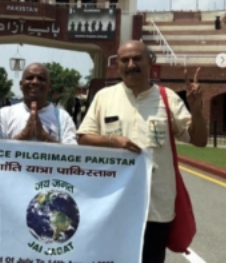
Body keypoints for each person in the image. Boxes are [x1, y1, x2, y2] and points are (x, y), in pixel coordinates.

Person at [76, 40, 207, 263]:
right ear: (117, 64)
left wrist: (196, 109)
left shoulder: (167, 98)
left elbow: (199, 140)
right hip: (113, 202)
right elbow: (82, 137)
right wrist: (111, 140)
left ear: (149, 62)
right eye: (124, 60)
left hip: (156, 205)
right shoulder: (104, 97)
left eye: (137, 58)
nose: (131, 65)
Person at [0, 63, 77, 144]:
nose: (35, 82)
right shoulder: (4, 114)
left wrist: (43, 135)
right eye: (29, 78)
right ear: (21, 85)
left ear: (49, 86)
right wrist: (23, 135)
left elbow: (72, 155)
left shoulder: (63, 117)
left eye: (41, 78)